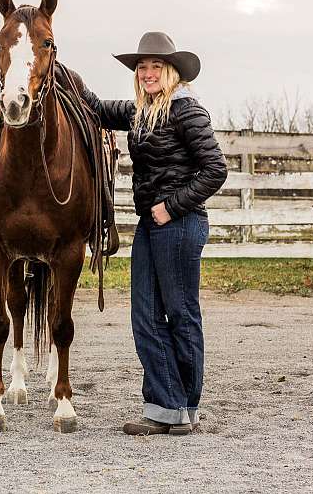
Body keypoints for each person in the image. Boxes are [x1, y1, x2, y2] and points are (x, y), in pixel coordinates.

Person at [81, 31, 228, 436]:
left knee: (181, 314)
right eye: (141, 67)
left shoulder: (186, 110)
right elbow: (95, 108)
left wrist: (172, 205)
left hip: (179, 223)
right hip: (152, 224)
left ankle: (185, 406)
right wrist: (54, 67)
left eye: (155, 66)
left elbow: (216, 169)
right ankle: (167, 407)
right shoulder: (141, 112)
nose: (147, 72)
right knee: (144, 314)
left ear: (172, 71)